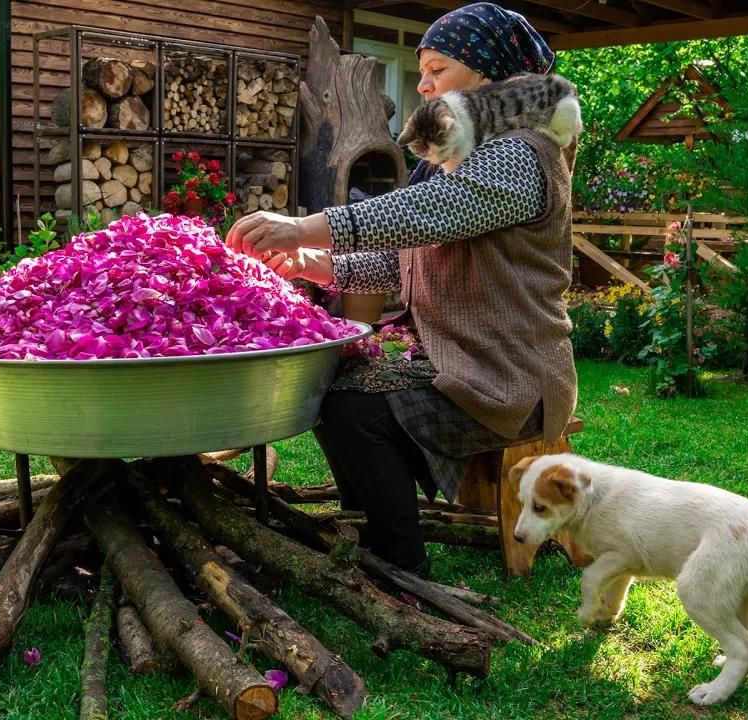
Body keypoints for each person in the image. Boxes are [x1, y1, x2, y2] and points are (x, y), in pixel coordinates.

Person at [225, 3, 578, 578]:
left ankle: (399, 565)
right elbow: (406, 264)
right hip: (461, 361)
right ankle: (368, 534)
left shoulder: (522, 154)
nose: (423, 83)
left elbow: (429, 214)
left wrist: (306, 226)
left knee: (355, 411)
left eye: (438, 68)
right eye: (423, 70)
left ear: (487, 74)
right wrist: (309, 262)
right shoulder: (467, 155)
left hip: (509, 378)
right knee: (332, 383)